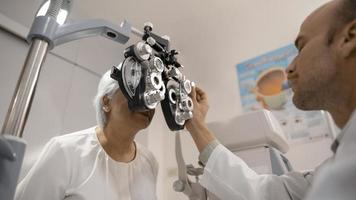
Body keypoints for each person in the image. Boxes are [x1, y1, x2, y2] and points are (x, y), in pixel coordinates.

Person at [185, 0, 356, 199]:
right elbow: (266, 193)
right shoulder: (342, 158)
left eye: (301, 48)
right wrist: (196, 124)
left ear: (349, 38)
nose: (289, 69)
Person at [15, 70, 158, 200]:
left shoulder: (149, 162)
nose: (148, 101)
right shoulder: (65, 151)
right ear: (107, 102)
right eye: (135, 89)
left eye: (152, 95)